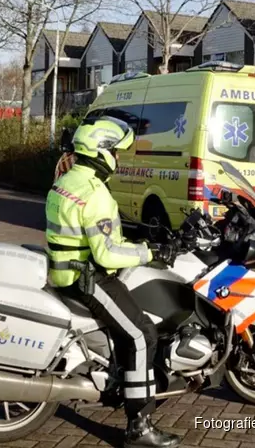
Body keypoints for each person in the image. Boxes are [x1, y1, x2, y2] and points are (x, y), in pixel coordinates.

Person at [45, 116, 181, 448]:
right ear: (102, 151)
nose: (119, 159)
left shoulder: (65, 181)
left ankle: (121, 379)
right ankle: (139, 426)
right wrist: (148, 253)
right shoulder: (94, 193)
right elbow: (106, 255)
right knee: (142, 335)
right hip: (87, 279)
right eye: (117, 152)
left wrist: (137, 243)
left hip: (65, 272)